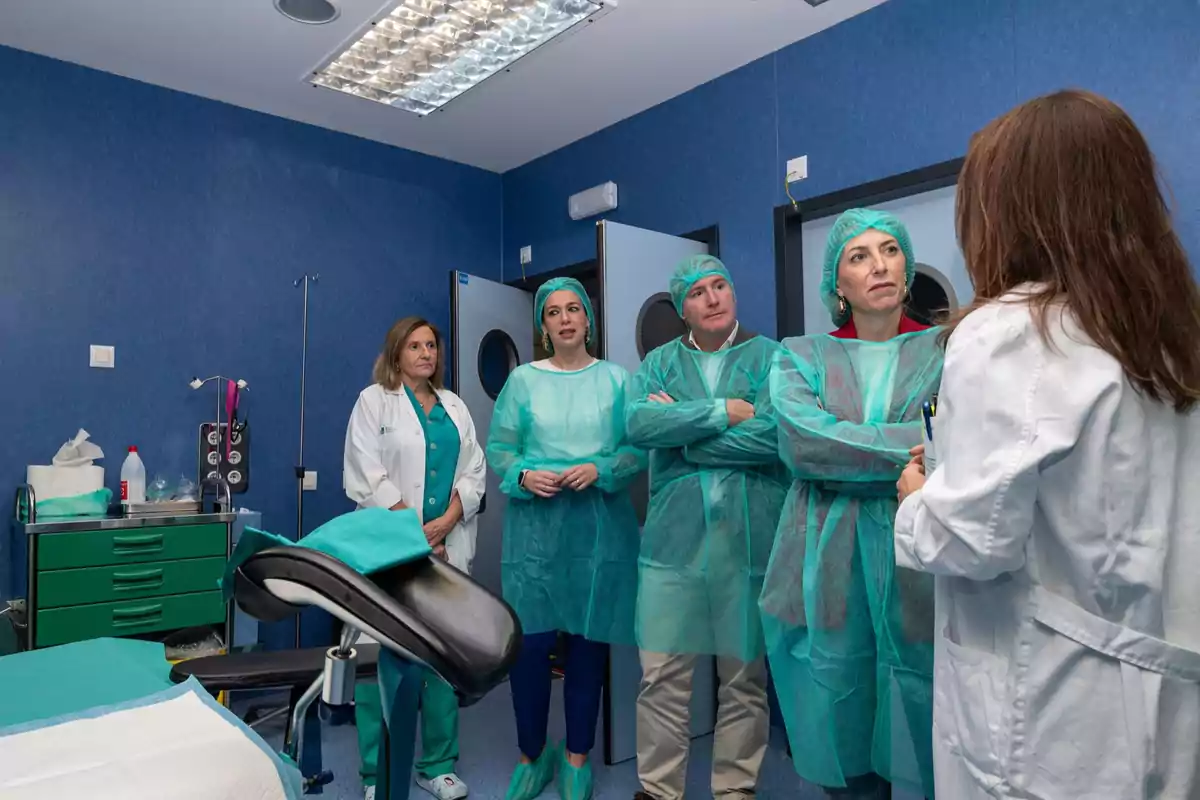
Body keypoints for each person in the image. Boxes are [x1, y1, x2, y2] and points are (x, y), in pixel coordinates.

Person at [894, 89, 1200, 799]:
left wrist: (918, 497)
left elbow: (973, 540)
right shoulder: (1170, 333)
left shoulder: (1010, 331)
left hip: (1051, 715)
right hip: (1163, 688)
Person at [759, 209, 943, 799]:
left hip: (918, 550)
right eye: (858, 256)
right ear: (836, 283)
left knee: (921, 699)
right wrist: (908, 450)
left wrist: (849, 453)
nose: (878, 265)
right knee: (838, 697)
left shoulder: (947, 351)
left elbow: (956, 445)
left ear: (907, 268)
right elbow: (804, 444)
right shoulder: (799, 355)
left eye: (889, 250)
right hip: (823, 556)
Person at [625, 255, 787, 800]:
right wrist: (722, 412)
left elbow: (776, 438)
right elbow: (640, 423)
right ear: (682, 308)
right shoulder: (659, 365)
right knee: (662, 678)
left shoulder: (772, 359)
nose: (713, 298)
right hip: (672, 549)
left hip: (748, 548)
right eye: (699, 292)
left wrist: (686, 433)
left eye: (721, 286)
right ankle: (659, 788)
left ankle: (735, 790)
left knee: (743, 682)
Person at [486, 277, 646, 800]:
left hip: (597, 537)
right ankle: (532, 755)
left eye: (574, 309)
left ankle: (577, 757)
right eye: (553, 312)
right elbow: (501, 450)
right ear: (542, 326)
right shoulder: (523, 382)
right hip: (535, 537)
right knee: (528, 651)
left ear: (588, 320)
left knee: (586, 648)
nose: (565, 319)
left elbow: (635, 451)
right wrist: (525, 477)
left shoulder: (617, 382)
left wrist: (600, 469)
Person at [343, 316, 487, 800]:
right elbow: (366, 473)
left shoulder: (454, 408)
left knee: (443, 655)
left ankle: (438, 764)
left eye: (432, 346)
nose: (426, 353)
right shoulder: (373, 402)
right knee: (377, 655)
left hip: (447, 545)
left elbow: (475, 471)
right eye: (415, 346)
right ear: (396, 353)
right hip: (390, 548)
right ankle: (374, 771)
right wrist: (413, 531)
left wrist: (447, 522)